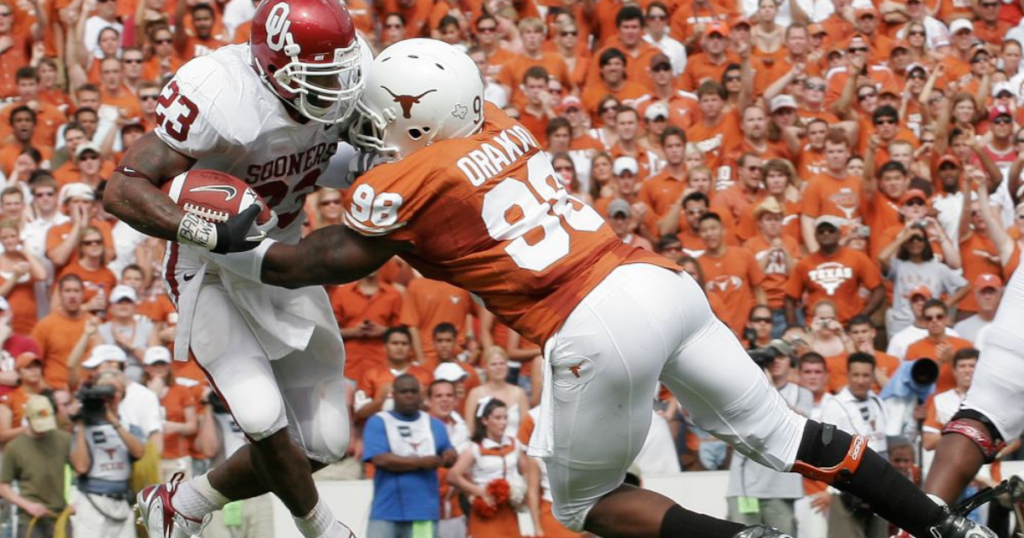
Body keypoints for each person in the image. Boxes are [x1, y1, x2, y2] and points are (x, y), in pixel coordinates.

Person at [219, 39, 994, 538]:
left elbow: (304, 262)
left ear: (414, 123)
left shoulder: (404, 177)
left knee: (584, 505)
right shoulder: (501, 129)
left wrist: (218, 236)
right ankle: (943, 526)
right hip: (657, 283)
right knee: (787, 433)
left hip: (589, 319)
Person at [103, 0, 370, 535]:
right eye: (321, 75)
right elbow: (122, 188)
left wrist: (369, 163)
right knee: (257, 414)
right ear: (275, 68)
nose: (339, 86)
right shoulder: (222, 94)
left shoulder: (333, 84)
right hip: (213, 268)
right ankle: (322, 527)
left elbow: (319, 162)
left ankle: (185, 503)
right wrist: (198, 227)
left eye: (342, 70)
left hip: (284, 261)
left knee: (325, 443)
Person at [364, 374, 457, 538]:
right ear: (393, 394)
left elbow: (449, 454)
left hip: (423, 513)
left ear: (421, 394)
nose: (409, 395)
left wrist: (450, 456)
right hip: (386, 511)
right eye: (404, 391)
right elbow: (381, 460)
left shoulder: (434, 424)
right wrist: (422, 463)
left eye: (413, 391)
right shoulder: (378, 422)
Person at [70, 370, 146, 538]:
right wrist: (81, 424)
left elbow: (139, 452)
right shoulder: (84, 429)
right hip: (92, 502)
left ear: (123, 395)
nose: (110, 396)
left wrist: (113, 421)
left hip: (121, 501)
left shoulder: (130, 428)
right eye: (106, 390)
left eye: (115, 391)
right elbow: (81, 467)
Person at [820, 353, 889, 538]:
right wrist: (830, 489)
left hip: (877, 488)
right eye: (856, 375)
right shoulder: (834, 405)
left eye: (866, 375)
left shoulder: (878, 402)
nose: (860, 381)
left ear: (873, 376)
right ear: (848, 375)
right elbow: (827, 450)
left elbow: (883, 446)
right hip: (846, 488)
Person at [448, 398, 535, 538]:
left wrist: (520, 490)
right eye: (498, 418)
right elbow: (453, 476)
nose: (503, 423)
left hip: (510, 510)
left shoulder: (514, 444)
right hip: (486, 510)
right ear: (484, 420)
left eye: (505, 418)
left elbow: (526, 471)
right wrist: (479, 491)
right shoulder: (475, 448)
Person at [0, 395, 73, 538]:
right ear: (28, 419)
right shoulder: (14, 448)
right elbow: (3, 486)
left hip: (61, 515)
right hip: (30, 519)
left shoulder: (64, 439)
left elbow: (80, 470)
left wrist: (77, 504)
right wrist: (27, 505)